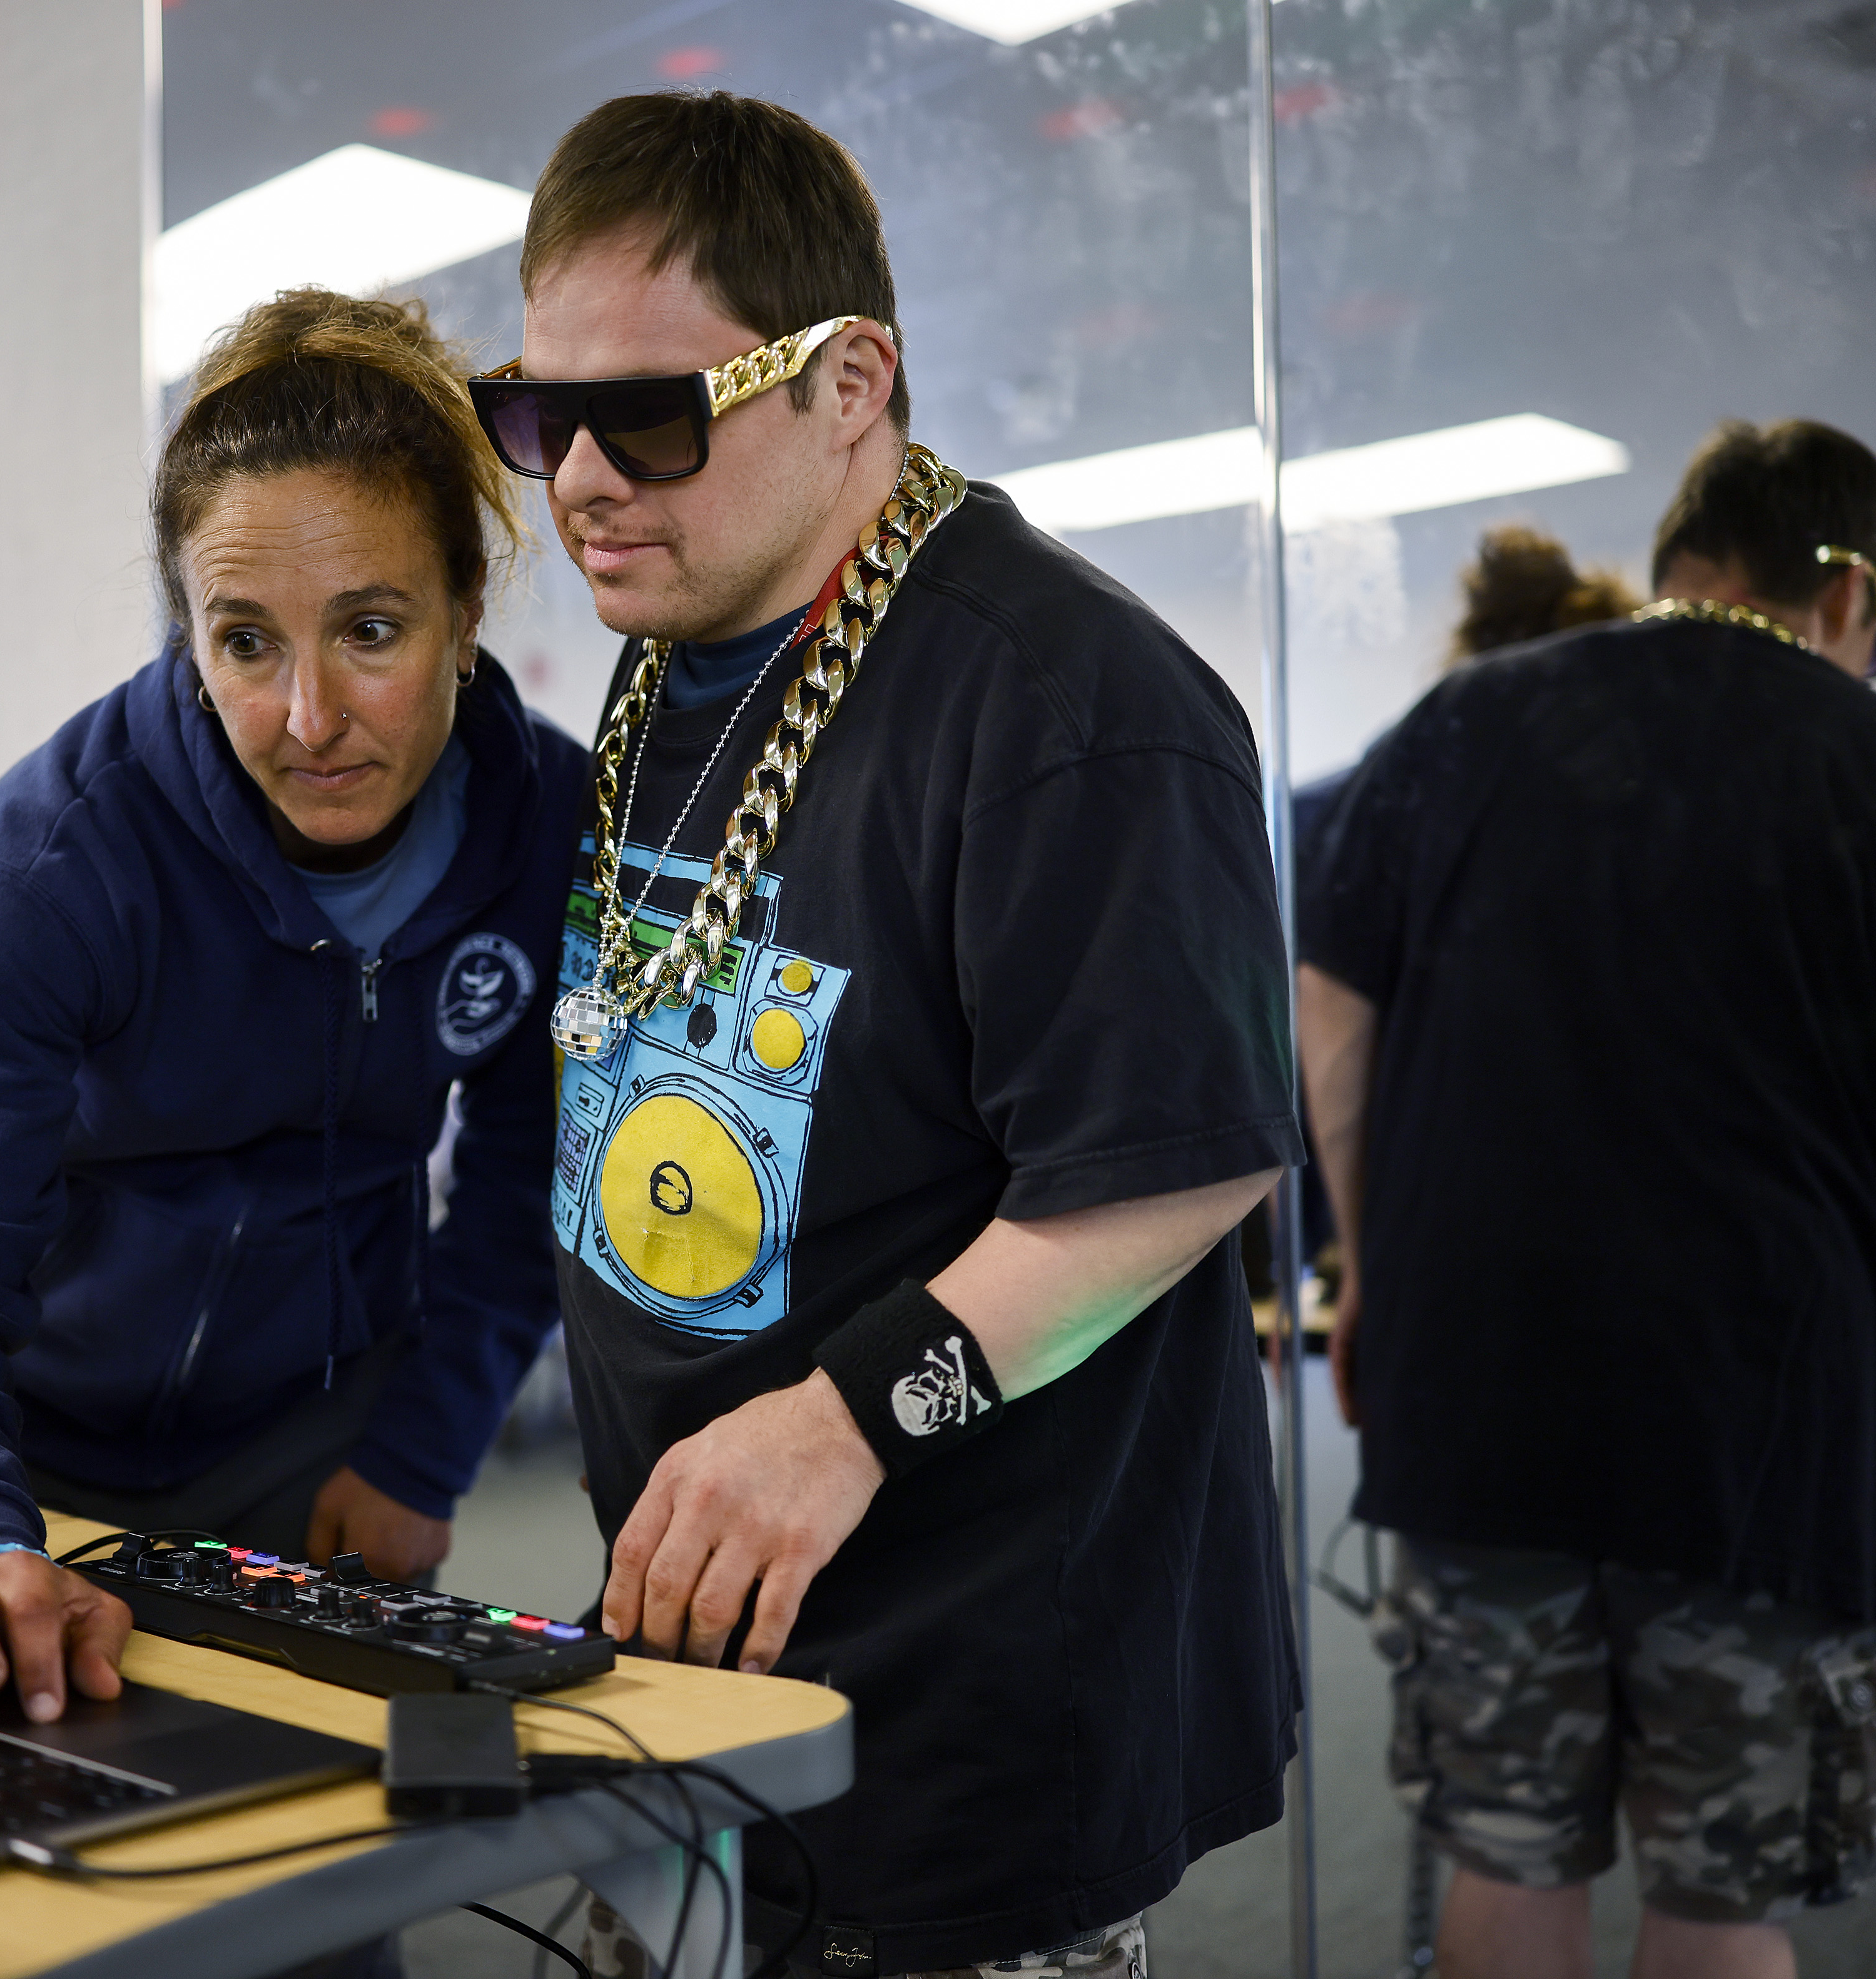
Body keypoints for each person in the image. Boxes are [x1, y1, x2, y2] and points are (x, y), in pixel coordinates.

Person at [482, 93, 1301, 1976]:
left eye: (651, 413)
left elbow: (1172, 1164)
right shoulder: (675, 659)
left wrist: (848, 1417)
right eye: (536, 416)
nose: (582, 477)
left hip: (966, 1692)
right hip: (688, 1651)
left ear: (847, 383)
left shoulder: (1068, 700)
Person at [1298, 419, 1876, 1979]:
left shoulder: (1457, 723)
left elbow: (1328, 1018)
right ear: (1846, 587)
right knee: (1722, 1895)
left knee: (1503, 1851)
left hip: (1478, 1403)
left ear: (1680, 556)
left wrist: (1375, 1264)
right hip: (1763, 1425)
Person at [0, 290, 585, 1726]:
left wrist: (423, 1448)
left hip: (321, 1453)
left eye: (370, 629)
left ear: (468, 608)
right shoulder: (49, 869)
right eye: (245, 643)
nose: (309, 716)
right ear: (187, 634)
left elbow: (524, 1170)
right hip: (35, 1463)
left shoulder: (543, 827)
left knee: (329, 1837)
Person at [1284, 526, 1639, 1279]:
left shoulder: (1375, 793)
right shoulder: (1627, 812)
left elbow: (1326, 1031)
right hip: (1602, 1218)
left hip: (1435, 1229)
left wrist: (1358, 1248)